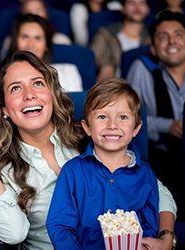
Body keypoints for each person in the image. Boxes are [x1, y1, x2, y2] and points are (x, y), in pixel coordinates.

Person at [0, 50, 177, 250]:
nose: (29, 95)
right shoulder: (2, 167)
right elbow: (14, 234)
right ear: (5, 109)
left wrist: (166, 237)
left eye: (37, 83)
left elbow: (156, 191)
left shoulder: (93, 135)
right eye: (16, 88)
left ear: (51, 94)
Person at [46, 77, 158, 249]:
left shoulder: (145, 174)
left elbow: (150, 225)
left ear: (136, 129)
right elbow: (60, 226)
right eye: (102, 116)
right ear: (87, 127)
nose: (112, 125)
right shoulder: (72, 172)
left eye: (123, 117)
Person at [126, 9, 185, 221]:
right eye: (163, 37)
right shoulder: (142, 69)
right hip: (161, 156)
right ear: (154, 48)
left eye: (178, 34)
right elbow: (128, 115)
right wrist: (168, 126)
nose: (171, 41)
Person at [6, 14, 83, 92]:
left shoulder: (68, 73)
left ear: (46, 45)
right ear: (15, 42)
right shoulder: (4, 76)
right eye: (25, 37)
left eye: (37, 38)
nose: (31, 45)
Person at [90, 0, 150, 81]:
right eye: (132, 3)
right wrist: (107, 65)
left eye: (142, 3)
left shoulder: (152, 37)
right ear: (123, 8)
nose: (137, 8)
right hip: (114, 82)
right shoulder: (106, 33)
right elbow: (93, 55)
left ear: (148, 9)